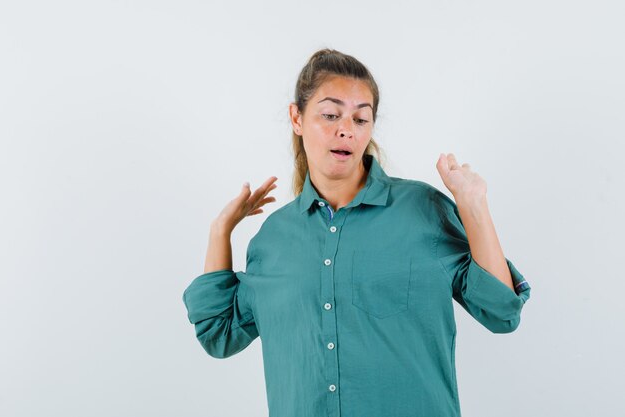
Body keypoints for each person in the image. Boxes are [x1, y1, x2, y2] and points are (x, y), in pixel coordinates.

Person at [182, 48, 531, 417]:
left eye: (360, 119)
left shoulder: (422, 209)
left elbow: (501, 312)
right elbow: (218, 336)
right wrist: (220, 231)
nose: (345, 128)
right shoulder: (272, 239)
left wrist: (473, 205)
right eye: (330, 115)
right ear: (296, 118)